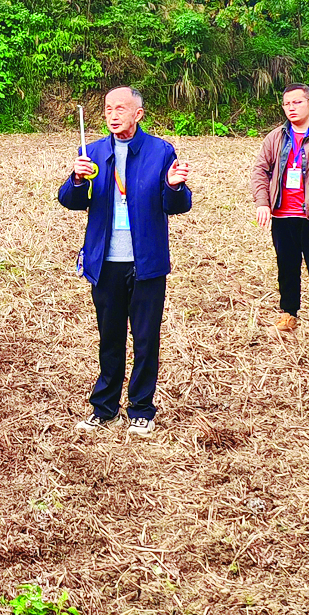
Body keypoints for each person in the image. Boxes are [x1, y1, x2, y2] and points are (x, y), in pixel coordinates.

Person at [59, 86, 194, 434]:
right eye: (108, 109)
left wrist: (174, 186)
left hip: (146, 262)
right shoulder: (93, 152)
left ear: (138, 114)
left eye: (121, 108)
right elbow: (70, 200)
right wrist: (76, 179)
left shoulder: (160, 152)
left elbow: (176, 205)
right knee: (110, 337)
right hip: (105, 262)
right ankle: (104, 408)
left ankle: (141, 409)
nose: (113, 114)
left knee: (146, 339)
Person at [251, 83, 309, 335]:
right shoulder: (276, 137)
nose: (291, 108)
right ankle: (288, 313)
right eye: (287, 104)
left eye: (297, 102)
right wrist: (263, 202)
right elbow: (260, 170)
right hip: (283, 214)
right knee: (286, 266)